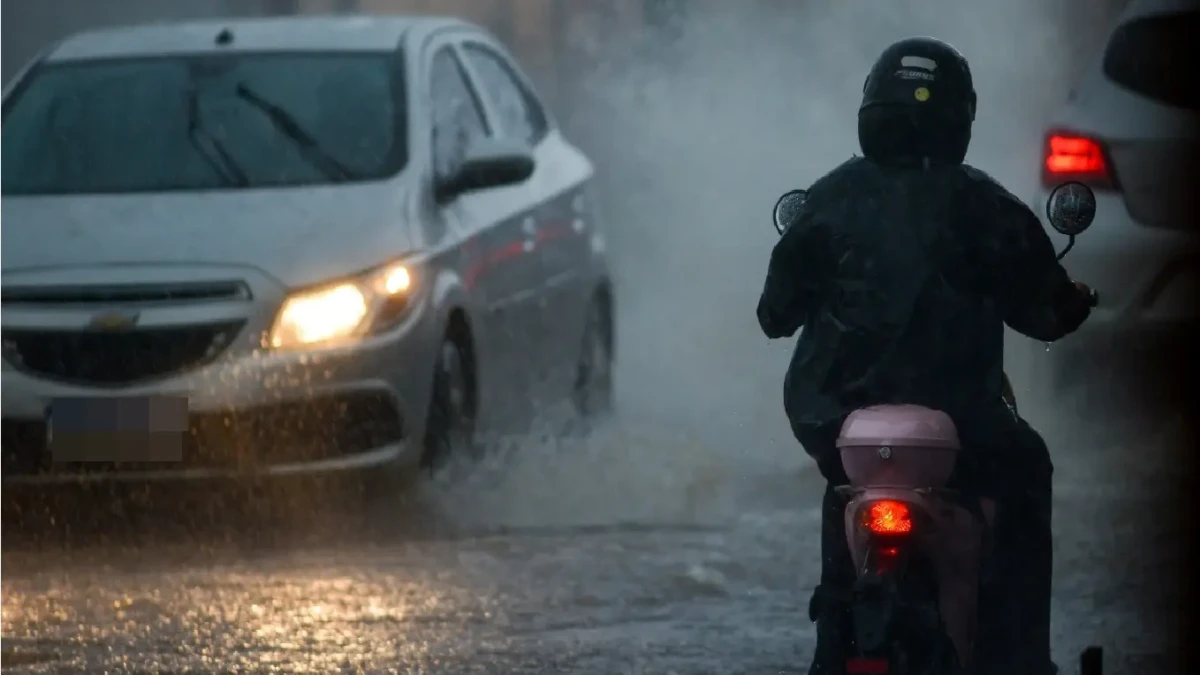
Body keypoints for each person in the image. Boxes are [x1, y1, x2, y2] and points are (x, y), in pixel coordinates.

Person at [756, 37, 1096, 675]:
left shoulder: (828, 201)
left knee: (840, 496)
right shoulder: (989, 205)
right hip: (966, 429)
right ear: (960, 120)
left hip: (839, 426)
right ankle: (1022, 659)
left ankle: (834, 649)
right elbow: (1047, 311)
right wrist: (1075, 300)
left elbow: (773, 315)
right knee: (1030, 467)